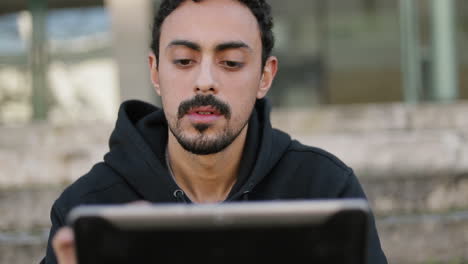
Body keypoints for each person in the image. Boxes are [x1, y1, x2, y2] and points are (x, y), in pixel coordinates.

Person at [41, 0, 388, 263]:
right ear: (155, 72)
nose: (205, 81)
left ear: (265, 77)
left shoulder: (325, 189)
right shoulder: (90, 207)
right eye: (183, 61)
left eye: (231, 63)